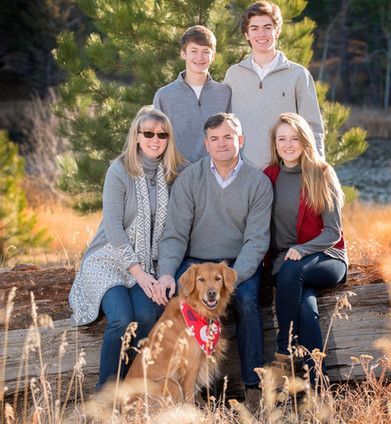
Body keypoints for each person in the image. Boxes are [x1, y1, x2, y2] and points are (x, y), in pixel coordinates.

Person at [156, 112, 273, 406]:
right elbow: (175, 235)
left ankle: (252, 387)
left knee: (246, 302)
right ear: (206, 144)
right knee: (177, 303)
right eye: (215, 139)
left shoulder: (257, 183)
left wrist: (230, 280)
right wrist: (168, 272)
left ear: (240, 140)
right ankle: (178, 388)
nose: (222, 144)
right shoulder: (190, 179)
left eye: (228, 137)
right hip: (194, 263)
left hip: (236, 266)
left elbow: (256, 240)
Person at [69, 106, 184, 389]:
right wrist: (141, 275)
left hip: (146, 263)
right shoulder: (118, 171)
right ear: (136, 136)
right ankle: (106, 397)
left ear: (168, 139)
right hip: (109, 260)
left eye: (162, 134)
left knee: (147, 315)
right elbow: (114, 229)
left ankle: (131, 391)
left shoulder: (170, 174)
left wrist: (156, 273)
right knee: (122, 318)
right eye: (148, 133)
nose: (155, 139)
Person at [264, 112, 348, 384]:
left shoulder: (322, 173)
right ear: (275, 144)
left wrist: (303, 249)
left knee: (292, 271)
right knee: (306, 310)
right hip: (285, 262)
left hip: (326, 257)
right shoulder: (269, 175)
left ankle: (283, 353)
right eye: (282, 139)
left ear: (305, 141)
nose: (288, 145)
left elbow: (333, 232)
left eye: (295, 138)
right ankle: (317, 386)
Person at [224, 1, 324, 170]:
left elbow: (313, 127)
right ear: (247, 34)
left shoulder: (298, 75)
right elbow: (224, 126)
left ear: (277, 32)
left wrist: (319, 169)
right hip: (243, 173)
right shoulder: (233, 75)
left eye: (267, 27)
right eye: (254, 28)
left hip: (287, 171)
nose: (261, 33)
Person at [153, 25, 231, 164]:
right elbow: (157, 142)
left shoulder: (225, 93)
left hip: (217, 176)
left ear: (213, 55)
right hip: (176, 177)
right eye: (194, 51)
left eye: (205, 51)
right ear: (183, 53)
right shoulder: (164, 96)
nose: (199, 57)